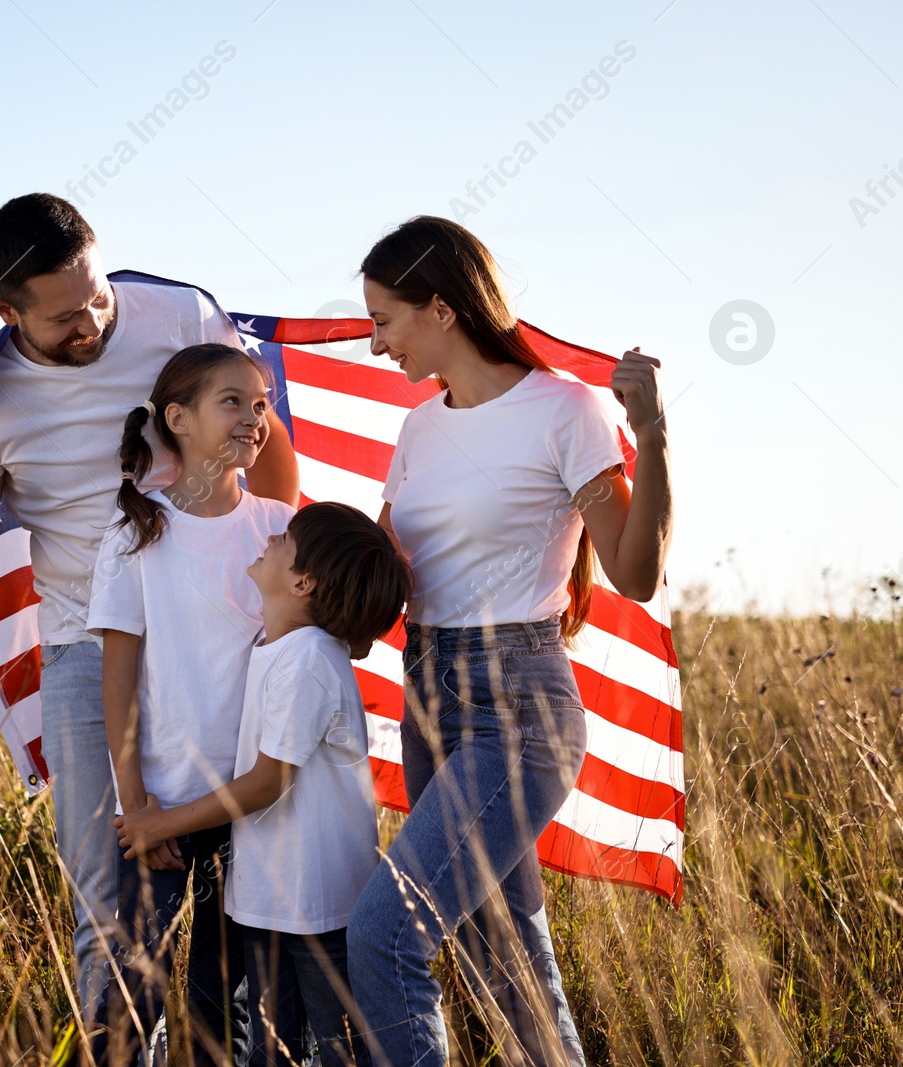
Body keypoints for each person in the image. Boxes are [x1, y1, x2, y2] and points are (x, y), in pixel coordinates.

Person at [0, 193, 299, 1037]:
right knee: (116, 918)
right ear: (3, 310)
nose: (92, 323)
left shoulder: (180, 311)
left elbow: (266, 454)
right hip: (85, 658)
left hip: (218, 640)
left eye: (96, 297)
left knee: (246, 902)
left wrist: (270, 604)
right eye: (64, 317)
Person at [345, 215, 673, 1066]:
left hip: (517, 709)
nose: (378, 344)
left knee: (386, 934)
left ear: (442, 310)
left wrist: (655, 440)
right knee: (508, 961)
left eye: (385, 320)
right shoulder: (420, 429)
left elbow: (634, 574)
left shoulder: (563, 409)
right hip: (429, 695)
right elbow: (380, 575)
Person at [116, 502, 411, 1067]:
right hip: (273, 904)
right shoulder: (274, 647)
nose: (272, 535)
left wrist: (161, 822)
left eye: (288, 538)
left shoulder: (308, 659)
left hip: (317, 909)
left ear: (303, 582)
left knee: (332, 1049)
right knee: (273, 1051)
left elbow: (265, 783)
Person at [86, 342, 297, 1064]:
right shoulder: (136, 533)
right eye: (232, 401)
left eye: (262, 402)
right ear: (177, 417)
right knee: (130, 994)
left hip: (255, 808)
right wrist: (138, 805)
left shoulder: (278, 528)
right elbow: (118, 680)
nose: (253, 416)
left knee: (229, 998)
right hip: (161, 809)